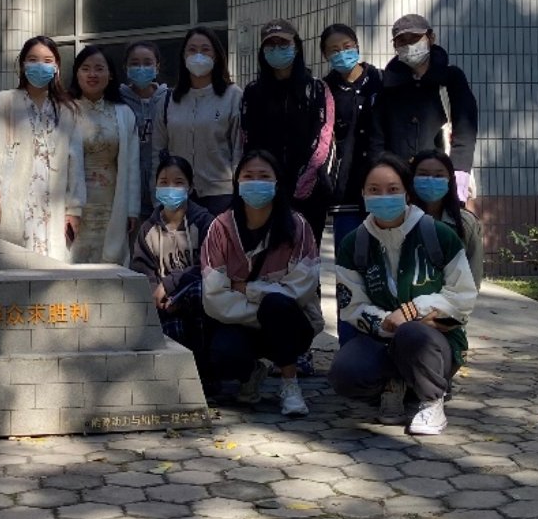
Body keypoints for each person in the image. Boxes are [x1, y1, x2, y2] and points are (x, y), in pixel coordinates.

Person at [328, 154, 478, 434]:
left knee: (412, 334)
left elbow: (462, 296)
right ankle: (394, 383)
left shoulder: (439, 234)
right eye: (374, 190)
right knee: (345, 372)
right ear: (363, 194)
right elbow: (352, 306)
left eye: (393, 189)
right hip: (381, 338)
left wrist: (412, 312)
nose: (383, 197)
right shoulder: (354, 243)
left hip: (434, 341)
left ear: (407, 193)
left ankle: (431, 400)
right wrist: (387, 322)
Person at [201, 149, 320, 418]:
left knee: (277, 306)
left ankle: (290, 384)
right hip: (241, 325)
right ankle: (254, 370)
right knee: (224, 355)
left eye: (264, 176)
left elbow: (301, 290)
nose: (256, 182)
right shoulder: (220, 228)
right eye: (248, 176)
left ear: (277, 182)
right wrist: (265, 307)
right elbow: (214, 297)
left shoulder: (297, 227)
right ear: (237, 182)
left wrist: (248, 289)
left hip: (292, 324)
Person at [0, 36, 85, 261]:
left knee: (52, 267)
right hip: (15, 202)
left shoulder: (67, 109)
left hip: (53, 208)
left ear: (56, 67)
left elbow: (75, 163)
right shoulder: (6, 101)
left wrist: (74, 209)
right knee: (13, 264)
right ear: (23, 64)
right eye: (33, 59)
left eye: (47, 60)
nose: (40, 66)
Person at [369, 12, 479, 204]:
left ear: (431, 38)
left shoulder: (451, 78)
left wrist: (459, 173)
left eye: (414, 38)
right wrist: (381, 172)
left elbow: (465, 129)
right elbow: (377, 136)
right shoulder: (387, 84)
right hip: (399, 179)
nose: (408, 45)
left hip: (440, 175)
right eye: (402, 41)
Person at [240, 20, 334, 238]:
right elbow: (247, 141)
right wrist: (260, 182)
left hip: (309, 194)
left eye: (283, 44)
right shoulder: (253, 92)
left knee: (305, 253)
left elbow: (324, 140)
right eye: (270, 45)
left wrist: (304, 184)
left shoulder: (317, 89)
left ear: (297, 46)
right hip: (265, 191)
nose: (276, 50)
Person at [130, 154, 215, 378]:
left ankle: (208, 375)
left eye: (178, 182)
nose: (170, 188)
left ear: (190, 187)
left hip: (200, 301)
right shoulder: (148, 229)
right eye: (164, 182)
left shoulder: (205, 222)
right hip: (164, 304)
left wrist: (170, 285)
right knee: (170, 332)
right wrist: (155, 293)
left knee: (198, 295)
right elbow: (142, 269)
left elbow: (209, 265)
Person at [156, 28, 241, 213]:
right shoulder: (168, 99)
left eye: (205, 49)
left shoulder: (233, 96)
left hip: (221, 195)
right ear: (184, 56)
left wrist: (239, 192)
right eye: (192, 50)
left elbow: (238, 149)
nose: (198, 55)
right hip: (178, 194)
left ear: (216, 55)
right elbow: (158, 150)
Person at [69, 45, 141, 264]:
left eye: (99, 68)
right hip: (72, 205)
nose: (92, 74)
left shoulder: (124, 113)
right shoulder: (65, 111)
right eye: (85, 68)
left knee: (110, 263)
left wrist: (131, 209)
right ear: (77, 73)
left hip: (112, 203)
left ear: (110, 75)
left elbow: (132, 165)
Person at [320, 22, 382, 257]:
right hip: (345, 189)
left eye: (347, 47)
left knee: (383, 259)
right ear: (325, 55)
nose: (342, 53)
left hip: (381, 186)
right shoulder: (323, 90)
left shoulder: (381, 80)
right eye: (334, 50)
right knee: (349, 260)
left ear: (357, 46)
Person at [407, 148, 484, 287]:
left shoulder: (466, 223)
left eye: (438, 176)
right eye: (423, 174)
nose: (430, 180)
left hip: (452, 299)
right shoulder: (399, 220)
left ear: (450, 180)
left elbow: (473, 277)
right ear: (412, 178)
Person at [119, 41, 170, 215]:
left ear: (157, 67)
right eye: (135, 63)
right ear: (125, 68)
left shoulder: (169, 100)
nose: (141, 68)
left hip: (164, 190)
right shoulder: (118, 101)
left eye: (147, 63)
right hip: (127, 192)